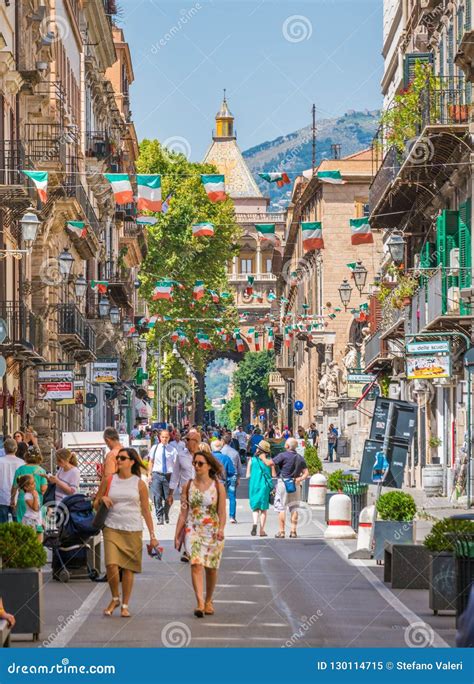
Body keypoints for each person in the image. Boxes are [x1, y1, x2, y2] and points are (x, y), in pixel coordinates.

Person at [94, 447, 159, 618]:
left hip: (132, 528)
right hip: (111, 527)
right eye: (118, 458)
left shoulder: (139, 483)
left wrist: (152, 535)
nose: (119, 460)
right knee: (111, 564)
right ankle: (115, 597)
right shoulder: (109, 480)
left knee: (128, 568)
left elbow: (145, 510)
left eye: (123, 458)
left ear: (132, 462)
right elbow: (95, 503)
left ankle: (124, 604)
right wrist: (102, 499)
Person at [174, 443, 226, 618]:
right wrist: (177, 535)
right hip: (193, 529)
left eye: (200, 463)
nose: (196, 466)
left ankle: (209, 600)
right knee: (196, 564)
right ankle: (200, 603)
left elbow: (222, 512)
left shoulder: (218, 487)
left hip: (213, 530)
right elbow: (183, 512)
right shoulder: (187, 486)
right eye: (194, 463)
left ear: (209, 466)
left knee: (211, 568)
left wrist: (221, 529)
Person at [272, 437, 309, 539]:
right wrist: (300, 478)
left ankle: (282, 531)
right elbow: (306, 473)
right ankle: (293, 531)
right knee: (294, 508)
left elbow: (271, 463)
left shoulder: (282, 455)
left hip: (283, 483)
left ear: (287, 446)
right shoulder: (300, 457)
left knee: (281, 507)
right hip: (295, 484)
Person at [11, 446, 47, 529]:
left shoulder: (20, 469)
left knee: (23, 528)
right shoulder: (41, 471)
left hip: (23, 500)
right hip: (36, 501)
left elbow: (15, 487)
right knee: (38, 528)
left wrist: (12, 499)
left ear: (26, 455)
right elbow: (43, 489)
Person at [246, 440, 275, 537]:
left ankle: (255, 523)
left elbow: (247, 475)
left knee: (255, 508)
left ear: (259, 449)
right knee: (263, 509)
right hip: (264, 486)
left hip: (254, 485)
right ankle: (262, 530)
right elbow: (274, 475)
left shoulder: (252, 460)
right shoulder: (269, 461)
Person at [148, 429, 177, 524]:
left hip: (168, 476)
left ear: (169, 438)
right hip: (157, 475)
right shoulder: (155, 448)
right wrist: (149, 474)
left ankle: (166, 512)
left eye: (166, 437)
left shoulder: (172, 450)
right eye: (163, 437)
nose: (164, 439)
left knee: (168, 498)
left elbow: (176, 464)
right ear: (160, 438)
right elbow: (151, 462)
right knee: (157, 497)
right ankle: (160, 517)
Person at [214, 438, 239, 523]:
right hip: (225, 480)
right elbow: (232, 471)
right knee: (232, 497)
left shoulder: (208, 457)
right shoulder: (227, 457)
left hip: (211, 482)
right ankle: (232, 516)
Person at [0, 438, 25, 523]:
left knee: (3, 526)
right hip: (17, 496)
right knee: (18, 524)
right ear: (16, 448)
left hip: (2, 496)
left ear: (4, 448)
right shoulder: (22, 463)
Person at [17, 474, 43, 541]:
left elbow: (38, 508)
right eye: (32, 484)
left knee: (34, 537)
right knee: (30, 538)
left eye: (34, 482)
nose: (34, 484)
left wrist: (41, 520)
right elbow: (35, 508)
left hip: (34, 519)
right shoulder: (27, 496)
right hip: (29, 520)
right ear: (26, 487)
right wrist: (35, 497)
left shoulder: (34, 492)